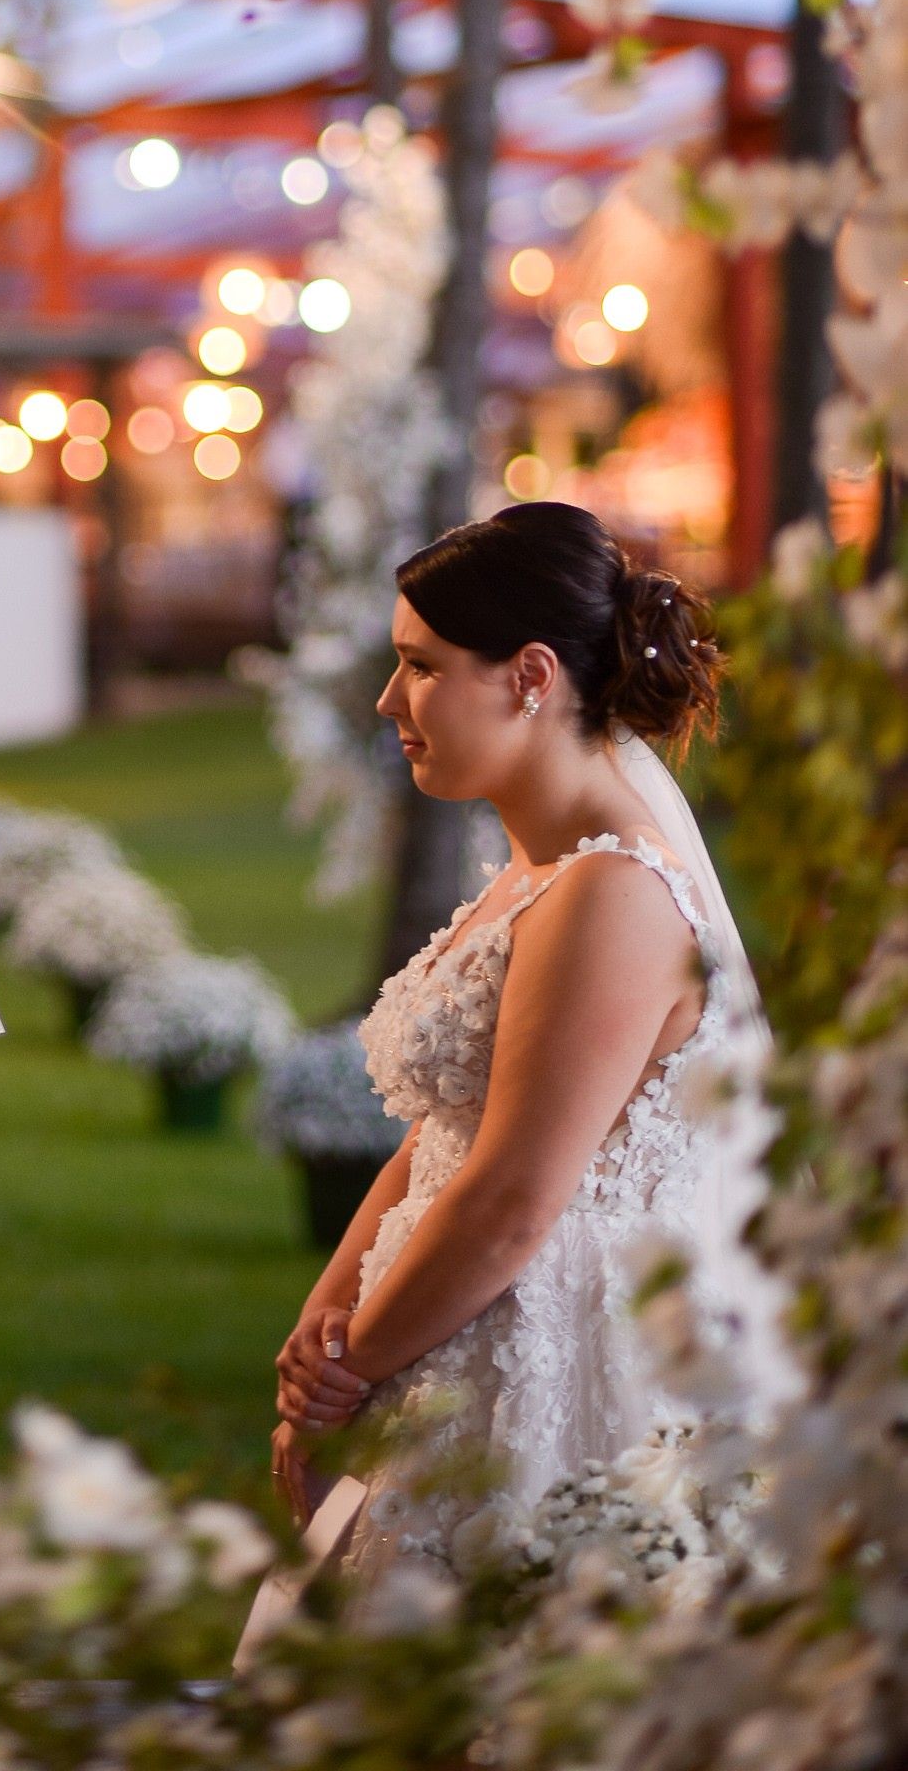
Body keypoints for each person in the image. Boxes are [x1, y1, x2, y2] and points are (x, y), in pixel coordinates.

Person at [271, 502, 776, 1579]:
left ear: (530, 675)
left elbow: (510, 1200)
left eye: (420, 665)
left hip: (549, 1383)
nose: (388, 699)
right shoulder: (538, 867)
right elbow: (446, 1134)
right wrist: (324, 1319)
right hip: (438, 1325)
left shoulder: (615, 893)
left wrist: (350, 1372)